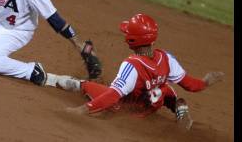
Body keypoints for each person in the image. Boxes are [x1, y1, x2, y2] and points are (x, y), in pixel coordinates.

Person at [56, 13, 224, 130]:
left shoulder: (132, 65)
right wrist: (206, 81)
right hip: (152, 105)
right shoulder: (167, 58)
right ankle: (178, 106)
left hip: (128, 111)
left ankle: (49, 79)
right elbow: (191, 85)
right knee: (165, 88)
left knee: (88, 85)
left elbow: (113, 95)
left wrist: (81, 110)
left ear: (131, 40)